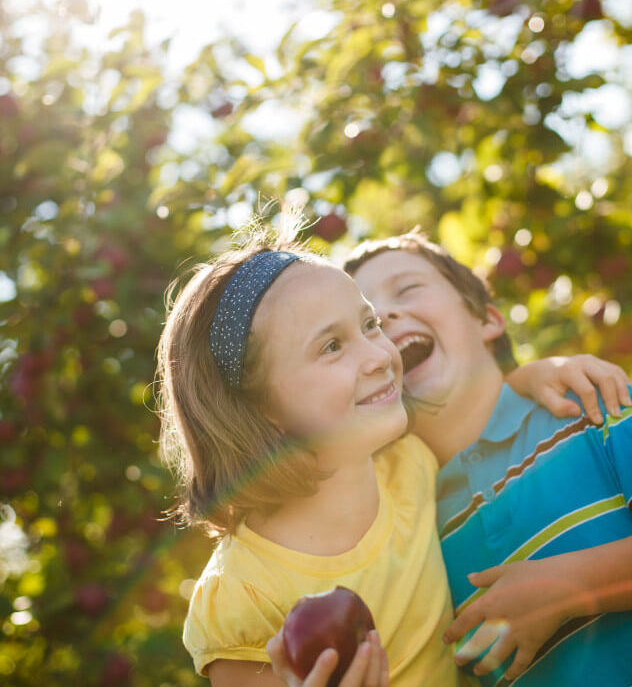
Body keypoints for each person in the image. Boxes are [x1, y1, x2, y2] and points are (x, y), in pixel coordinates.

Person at [157, 228, 628, 687]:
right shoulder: (246, 591)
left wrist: (527, 376)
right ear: (259, 408)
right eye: (332, 345)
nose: (380, 353)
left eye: (369, 325)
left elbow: (468, 401)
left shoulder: (421, 463)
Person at [345, 229, 632, 686]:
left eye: (407, 289)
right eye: (365, 324)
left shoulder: (594, 406)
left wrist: (565, 589)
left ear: (487, 320)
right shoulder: (409, 528)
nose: (384, 316)